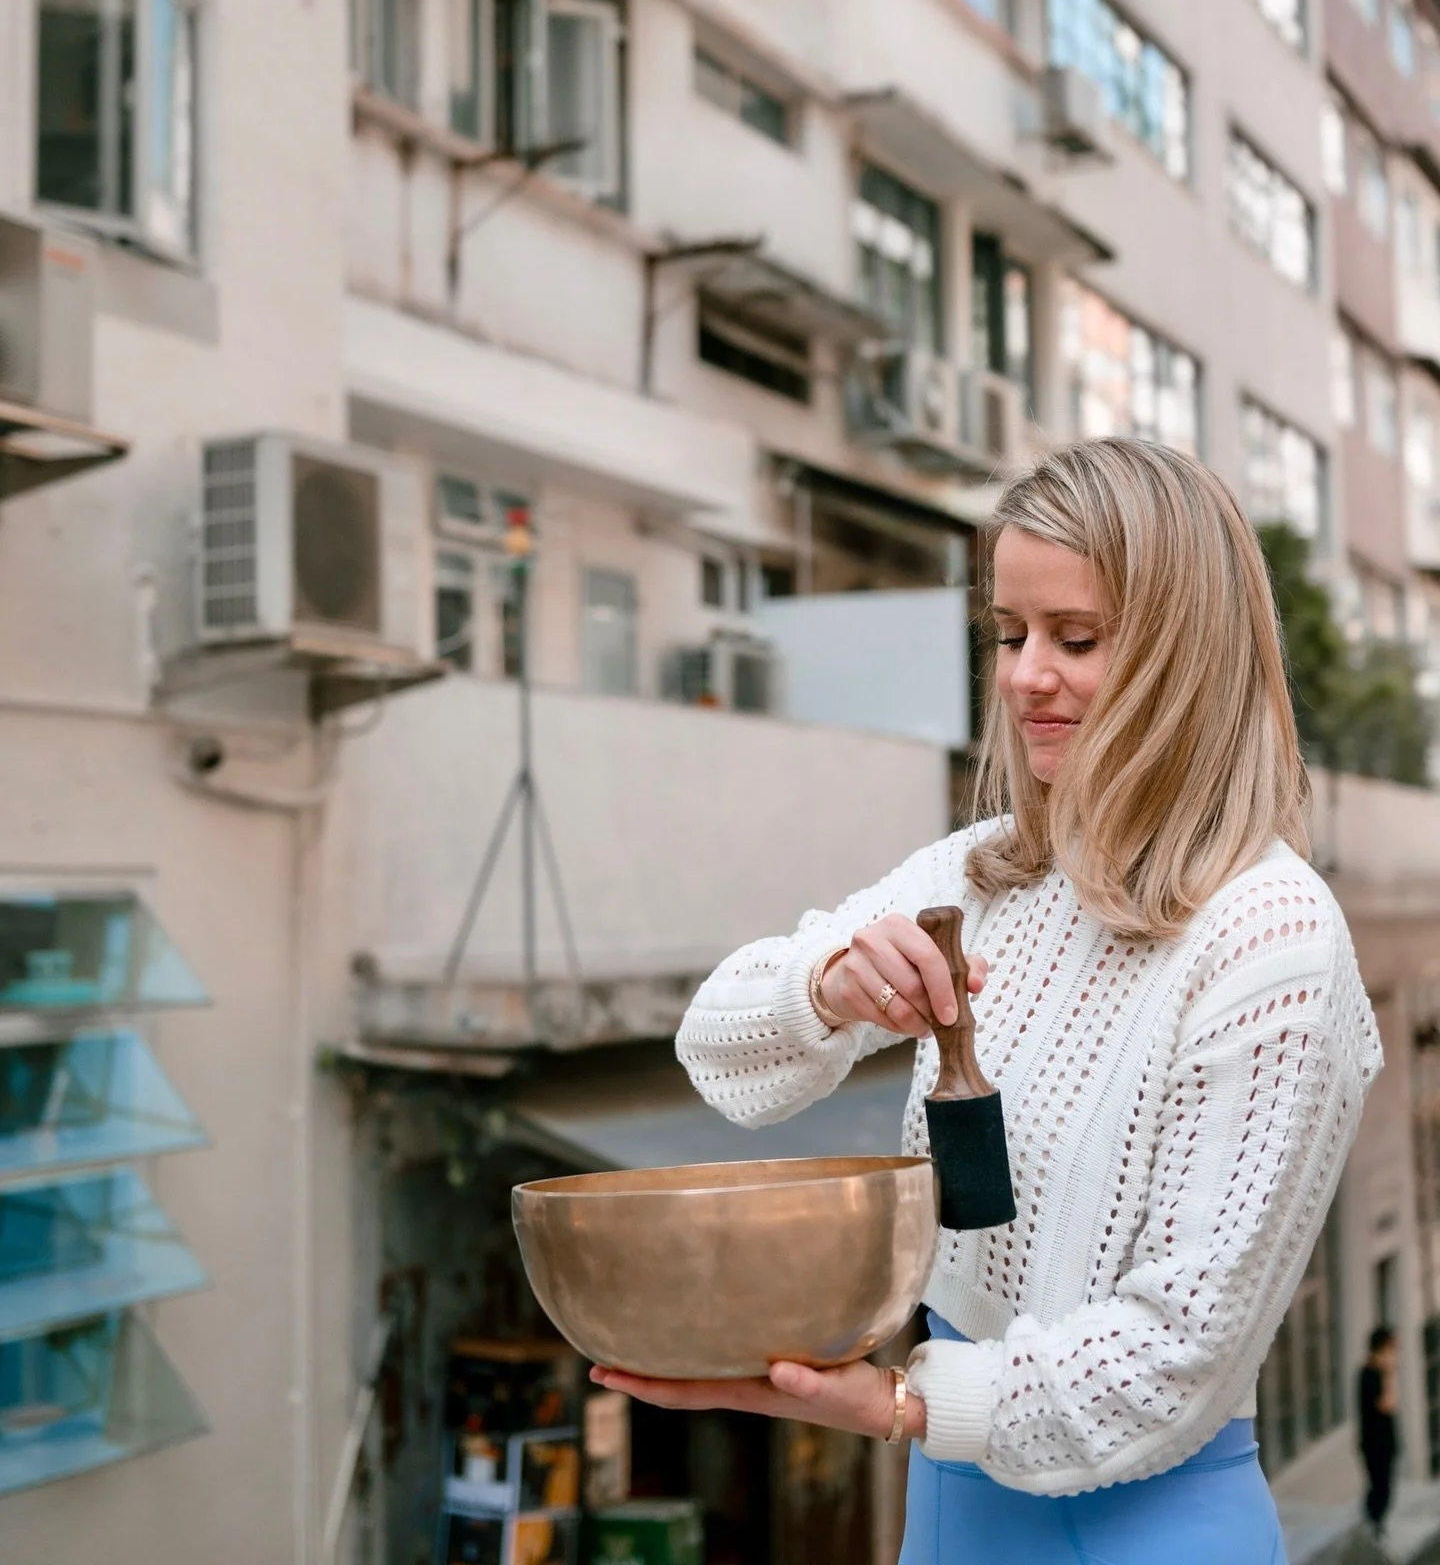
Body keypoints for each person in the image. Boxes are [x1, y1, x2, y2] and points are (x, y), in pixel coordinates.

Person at [590, 438, 1383, 1565]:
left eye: (1078, 639)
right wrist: (826, 987)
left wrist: (897, 1405)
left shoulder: (1272, 938)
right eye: (1010, 635)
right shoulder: (984, 876)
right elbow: (717, 1053)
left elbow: (1174, 1362)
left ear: (1185, 655)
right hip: (956, 1502)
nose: (1023, 678)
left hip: (1152, 1521)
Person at [1358, 1326, 1400, 1542]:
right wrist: (1390, 1374)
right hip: (1375, 1443)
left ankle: (1373, 1526)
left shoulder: (1375, 1373)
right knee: (1379, 1487)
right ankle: (1372, 1526)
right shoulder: (1370, 1374)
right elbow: (1387, 1404)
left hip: (1384, 1441)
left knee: (1383, 1485)